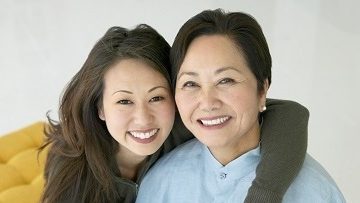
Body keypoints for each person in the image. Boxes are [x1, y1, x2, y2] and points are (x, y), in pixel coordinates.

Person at [40, 23, 309, 203]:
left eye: (157, 97)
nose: (144, 119)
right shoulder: (71, 163)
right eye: (124, 101)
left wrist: (263, 195)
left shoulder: (186, 121)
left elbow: (289, 113)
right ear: (99, 106)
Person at [136, 9, 345, 203]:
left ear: (262, 89)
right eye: (191, 84)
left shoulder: (314, 191)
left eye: (226, 80)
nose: (208, 102)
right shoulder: (160, 182)